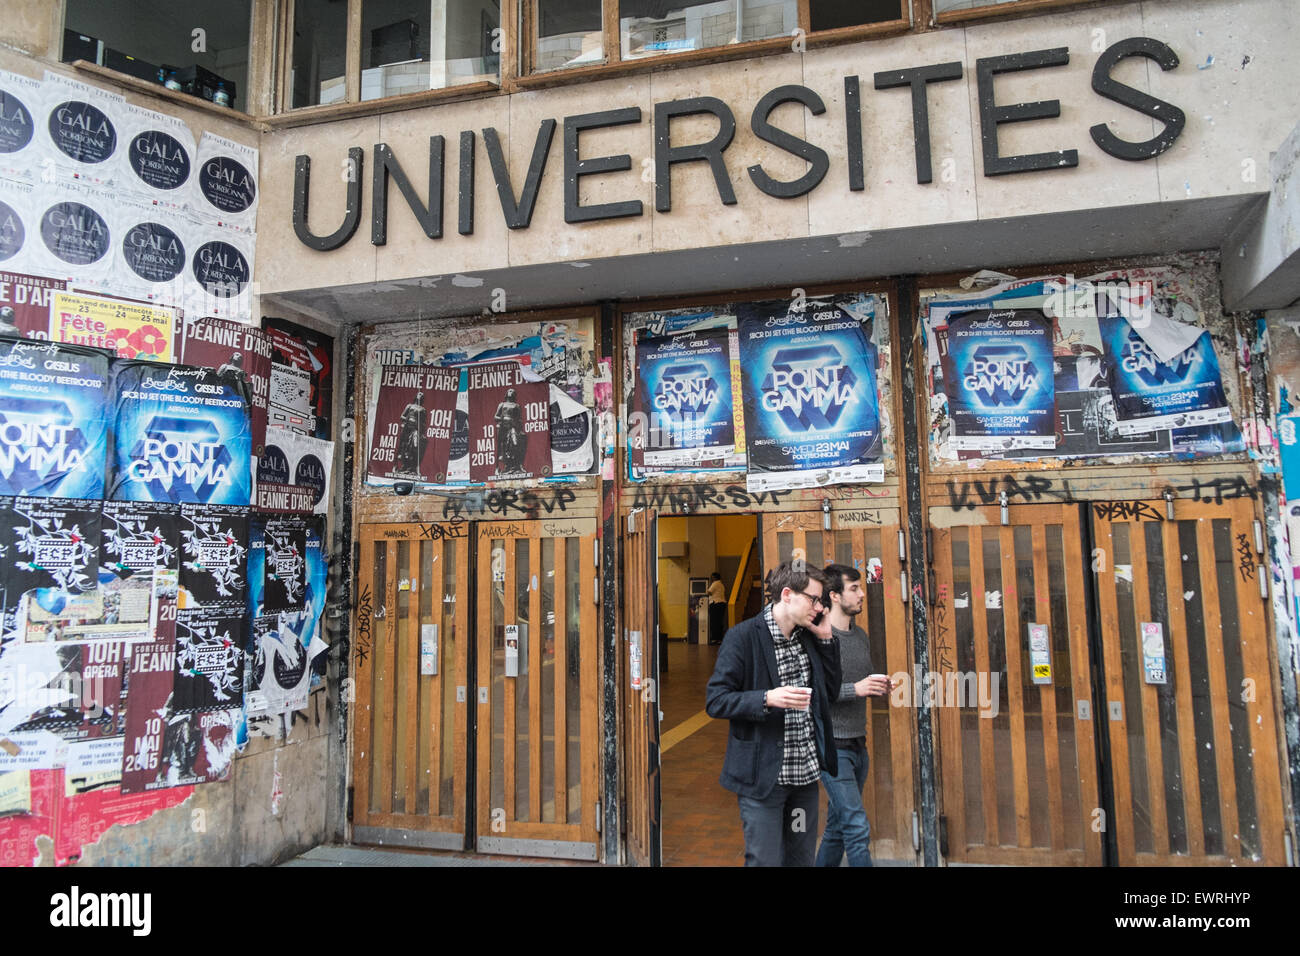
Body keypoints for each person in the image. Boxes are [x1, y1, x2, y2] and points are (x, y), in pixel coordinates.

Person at [705, 562, 841, 866]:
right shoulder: (743, 637)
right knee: (765, 860)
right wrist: (767, 698)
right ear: (788, 594)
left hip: (804, 779)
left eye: (821, 601)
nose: (819, 608)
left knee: (800, 860)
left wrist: (827, 639)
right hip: (763, 780)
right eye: (814, 599)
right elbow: (716, 700)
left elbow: (829, 693)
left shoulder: (808, 638)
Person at [816, 563, 891, 867]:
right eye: (854, 588)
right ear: (834, 595)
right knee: (857, 827)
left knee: (837, 828)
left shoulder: (859, 637)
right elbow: (816, 694)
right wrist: (856, 689)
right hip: (833, 749)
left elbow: (859, 684)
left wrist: (877, 686)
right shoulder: (820, 639)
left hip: (859, 746)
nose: (862, 594)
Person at [494, 387, 526, 473]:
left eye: (512, 391)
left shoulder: (516, 406)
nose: (511, 392)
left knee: (515, 444)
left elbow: (519, 419)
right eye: (509, 390)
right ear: (507, 393)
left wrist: (516, 423)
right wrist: (503, 418)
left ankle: (516, 465)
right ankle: (501, 467)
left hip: (512, 427)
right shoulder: (502, 404)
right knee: (501, 447)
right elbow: (495, 416)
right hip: (503, 427)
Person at [398, 391, 425, 475]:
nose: (420, 396)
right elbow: (402, 416)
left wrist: (418, 424)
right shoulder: (409, 406)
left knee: (414, 446)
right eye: (419, 394)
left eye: (422, 395)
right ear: (416, 396)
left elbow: (423, 422)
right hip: (407, 428)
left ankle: (412, 467)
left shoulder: (422, 409)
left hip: (415, 430)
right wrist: (408, 419)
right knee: (404, 446)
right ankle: (403, 465)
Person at [707, 571, 727, 645]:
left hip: (715, 604)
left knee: (714, 622)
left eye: (712, 577)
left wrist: (706, 589)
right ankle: (719, 639)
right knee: (719, 622)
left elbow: (709, 592)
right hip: (722, 604)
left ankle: (714, 639)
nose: (711, 578)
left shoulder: (715, 583)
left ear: (714, 577)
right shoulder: (721, 584)